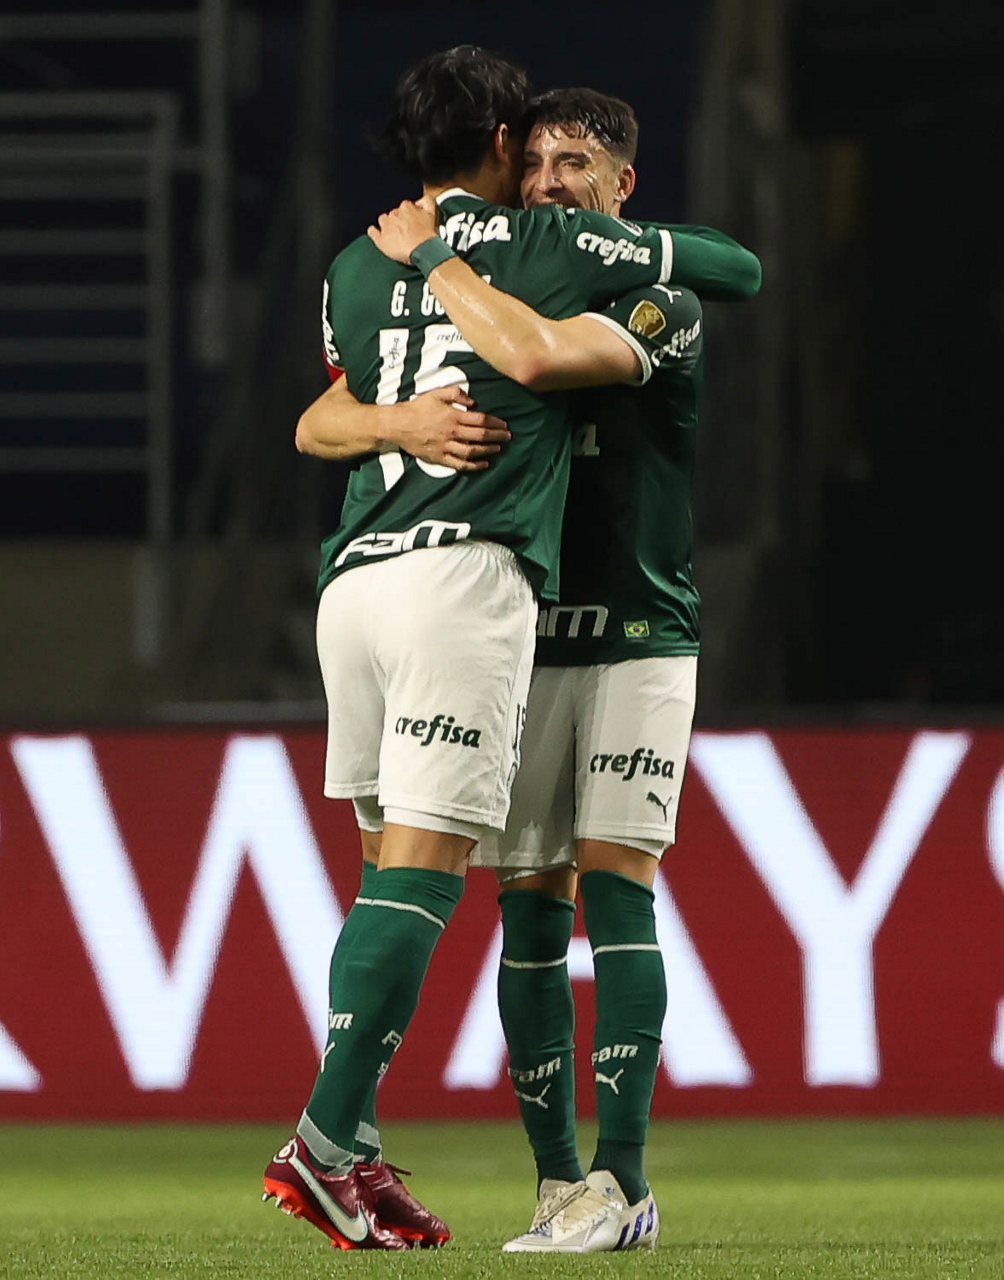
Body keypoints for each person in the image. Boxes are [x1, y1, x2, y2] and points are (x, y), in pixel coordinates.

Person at [263, 48, 757, 1253]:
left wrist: (437, 260)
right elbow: (330, 412)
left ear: (621, 180)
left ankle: (613, 1179)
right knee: (512, 902)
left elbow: (692, 287)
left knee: (595, 881)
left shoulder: (406, 260)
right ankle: (538, 1181)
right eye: (533, 157)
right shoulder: (527, 250)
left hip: (626, 627)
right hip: (502, 613)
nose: (547, 178)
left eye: (572, 161)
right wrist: (403, 413)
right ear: (499, 150)